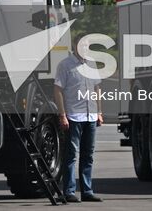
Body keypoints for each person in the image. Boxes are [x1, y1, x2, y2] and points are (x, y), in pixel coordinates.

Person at [53, 29, 102, 202]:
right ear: (75, 46)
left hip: (90, 116)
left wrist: (99, 112)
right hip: (74, 116)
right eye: (82, 45)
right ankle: (69, 191)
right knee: (71, 154)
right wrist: (62, 115)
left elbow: (97, 88)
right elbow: (58, 90)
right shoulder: (65, 65)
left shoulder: (92, 64)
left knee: (88, 154)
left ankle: (87, 191)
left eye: (87, 45)